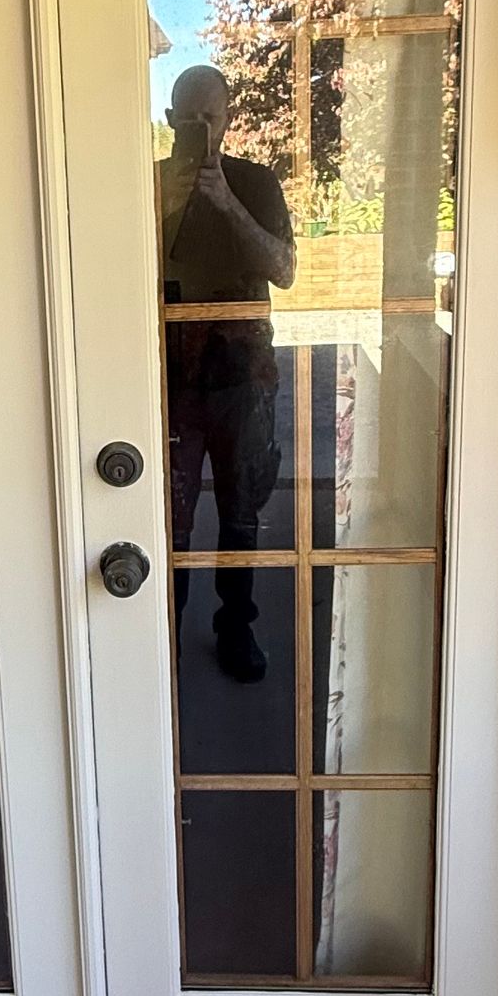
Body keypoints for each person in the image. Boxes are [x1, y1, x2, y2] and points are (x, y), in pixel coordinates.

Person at [158, 65, 296, 683]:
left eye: (210, 118)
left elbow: (284, 270)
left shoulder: (254, 182)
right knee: (171, 512)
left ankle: (235, 624)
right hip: (168, 377)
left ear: (229, 119)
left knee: (242, 509)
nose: (199, 130)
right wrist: (170, 204)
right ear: (169, 122)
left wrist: (225, 201)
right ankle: (164, 636)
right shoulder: (151, 185)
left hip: (244, 375)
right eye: (188, 120)